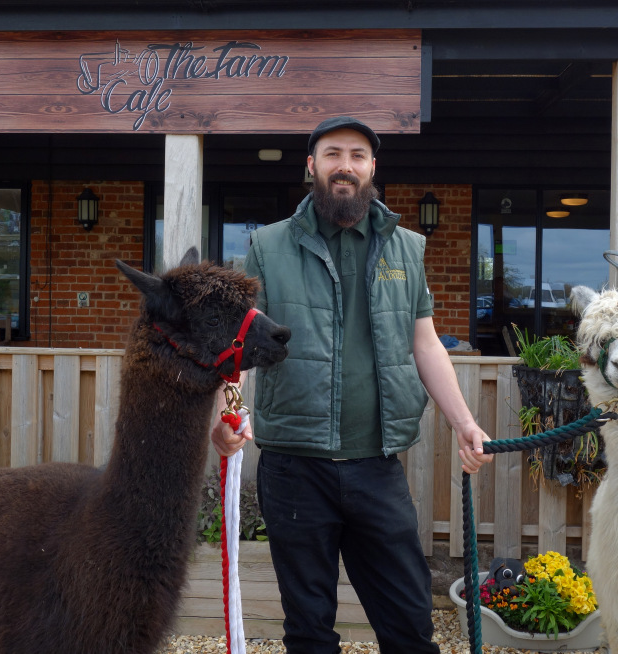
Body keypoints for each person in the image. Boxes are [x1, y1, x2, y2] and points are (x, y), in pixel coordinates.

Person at [210, 116, 492, 654]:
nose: (346, 165)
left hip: (376, 467)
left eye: (358, 155)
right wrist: (228, 417)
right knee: (310, 630)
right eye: (333, 154)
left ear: (372, 169)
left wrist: (465, 423)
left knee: (410, 624)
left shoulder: (407, 248)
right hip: (295, 469)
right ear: (312, 166)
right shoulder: (268, 246)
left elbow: (426, 344)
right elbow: (240, 344)